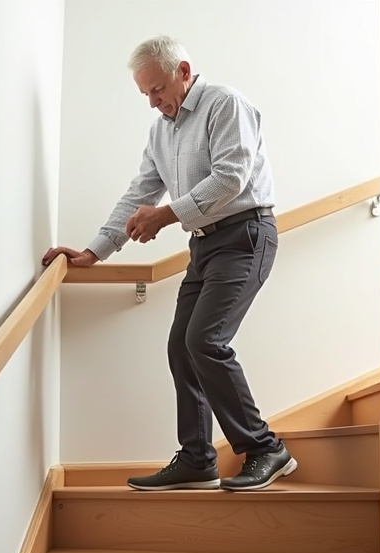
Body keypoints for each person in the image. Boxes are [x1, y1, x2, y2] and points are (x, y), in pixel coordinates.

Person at [42, 35, 296, 491]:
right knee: (182, 346)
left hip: (246, 236)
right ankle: (198, 460)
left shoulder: (225, 104)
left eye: (157, 89)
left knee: (205, 340)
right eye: (145, 93)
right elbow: (139, 192)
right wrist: (94, 251)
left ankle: (265, 449)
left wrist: (165, 215)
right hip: (204, 246)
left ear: (183, 72)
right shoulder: (161, 131)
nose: (152, 101)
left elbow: (231, 178)